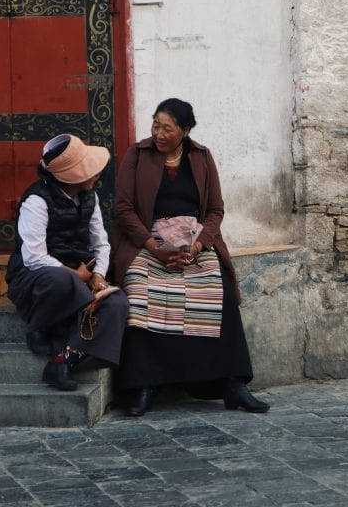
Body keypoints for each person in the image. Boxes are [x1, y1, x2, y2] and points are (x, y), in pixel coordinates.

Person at [112, 97, 269, 416]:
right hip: (148, 241)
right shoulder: (137, 155)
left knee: (219, 290)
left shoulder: (201, 157)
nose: (157, 133)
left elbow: (214, 210)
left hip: (193, 242)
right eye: (155, 124)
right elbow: (123, 208)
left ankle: (233, 384)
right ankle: (143, 384)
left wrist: (196, 247)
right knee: (140, 291)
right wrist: (154, 247)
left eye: (166, 128)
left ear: (184, 130)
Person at [6, 134, 129, 391]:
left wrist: (98, 276)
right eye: (90, 171)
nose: (96, 176)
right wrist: (77, 275)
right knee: (61, 280)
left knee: (116, 302)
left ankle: (63, 361)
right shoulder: (37, 200)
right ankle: (39, 323)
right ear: (74, 175)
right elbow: (34, 257)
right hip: (36, 278)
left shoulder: (89, 198)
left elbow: (101, 244)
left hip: (80, 277)